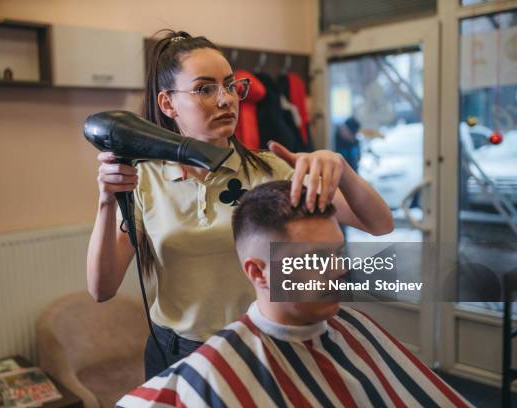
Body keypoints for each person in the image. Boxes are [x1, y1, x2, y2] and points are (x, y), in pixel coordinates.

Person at [86, 30, 394, 380]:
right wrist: (107, 201)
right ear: (168, 103)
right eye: (205, 89)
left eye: (230, 86)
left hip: (255, 346)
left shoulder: (271, 170)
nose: (225, 100)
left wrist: (341, 169)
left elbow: (379, 224)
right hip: (174, 352)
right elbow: (102, 289)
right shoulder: (144, 180)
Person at [116, 181, 472, 408]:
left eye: (337, 253)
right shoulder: (210, 372)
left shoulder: (354, 325)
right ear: (258, 272)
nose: (338, 271)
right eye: (316, 260)